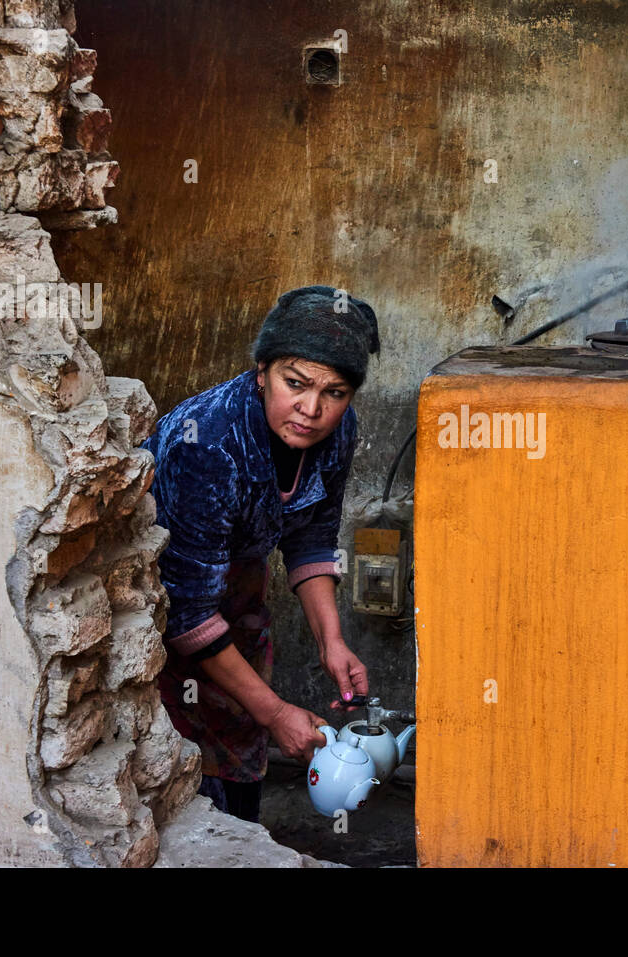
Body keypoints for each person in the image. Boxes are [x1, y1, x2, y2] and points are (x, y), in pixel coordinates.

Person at [142, 285, 378, 822]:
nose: (312, 409)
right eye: (294, 384)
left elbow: (311, 538)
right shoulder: (206, 442)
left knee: (239, 738)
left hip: (238, 593)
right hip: (158, 602)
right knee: (179, 753)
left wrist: (331, 640)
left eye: (335, 393)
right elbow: (184, 610)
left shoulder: (336, 433)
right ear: (262, 370)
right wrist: (276, 713)